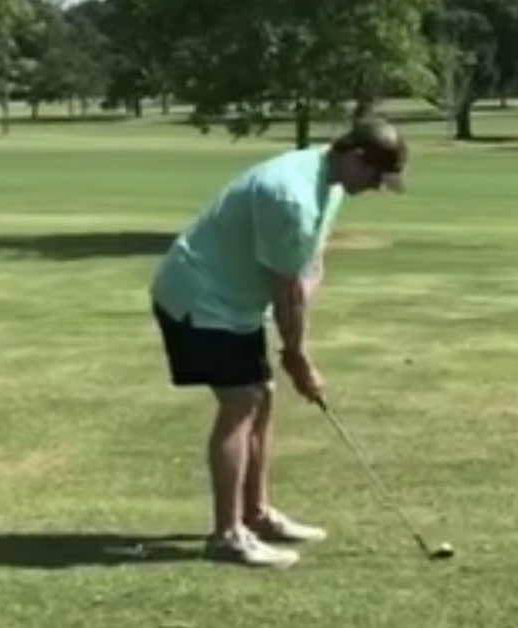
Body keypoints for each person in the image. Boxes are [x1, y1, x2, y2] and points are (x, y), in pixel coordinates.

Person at [148, 117, 407, 568]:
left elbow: (309, 263)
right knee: (241, 400)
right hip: (199, 297)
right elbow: (285, 287)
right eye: (375, 176)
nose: (376, 187)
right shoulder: (289, 195)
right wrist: (298, 354)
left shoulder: (331, 183)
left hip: (234, 303)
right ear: (355, 157)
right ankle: (228, 535)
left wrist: (295, 344)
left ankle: (257, 514)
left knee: (261, 397)